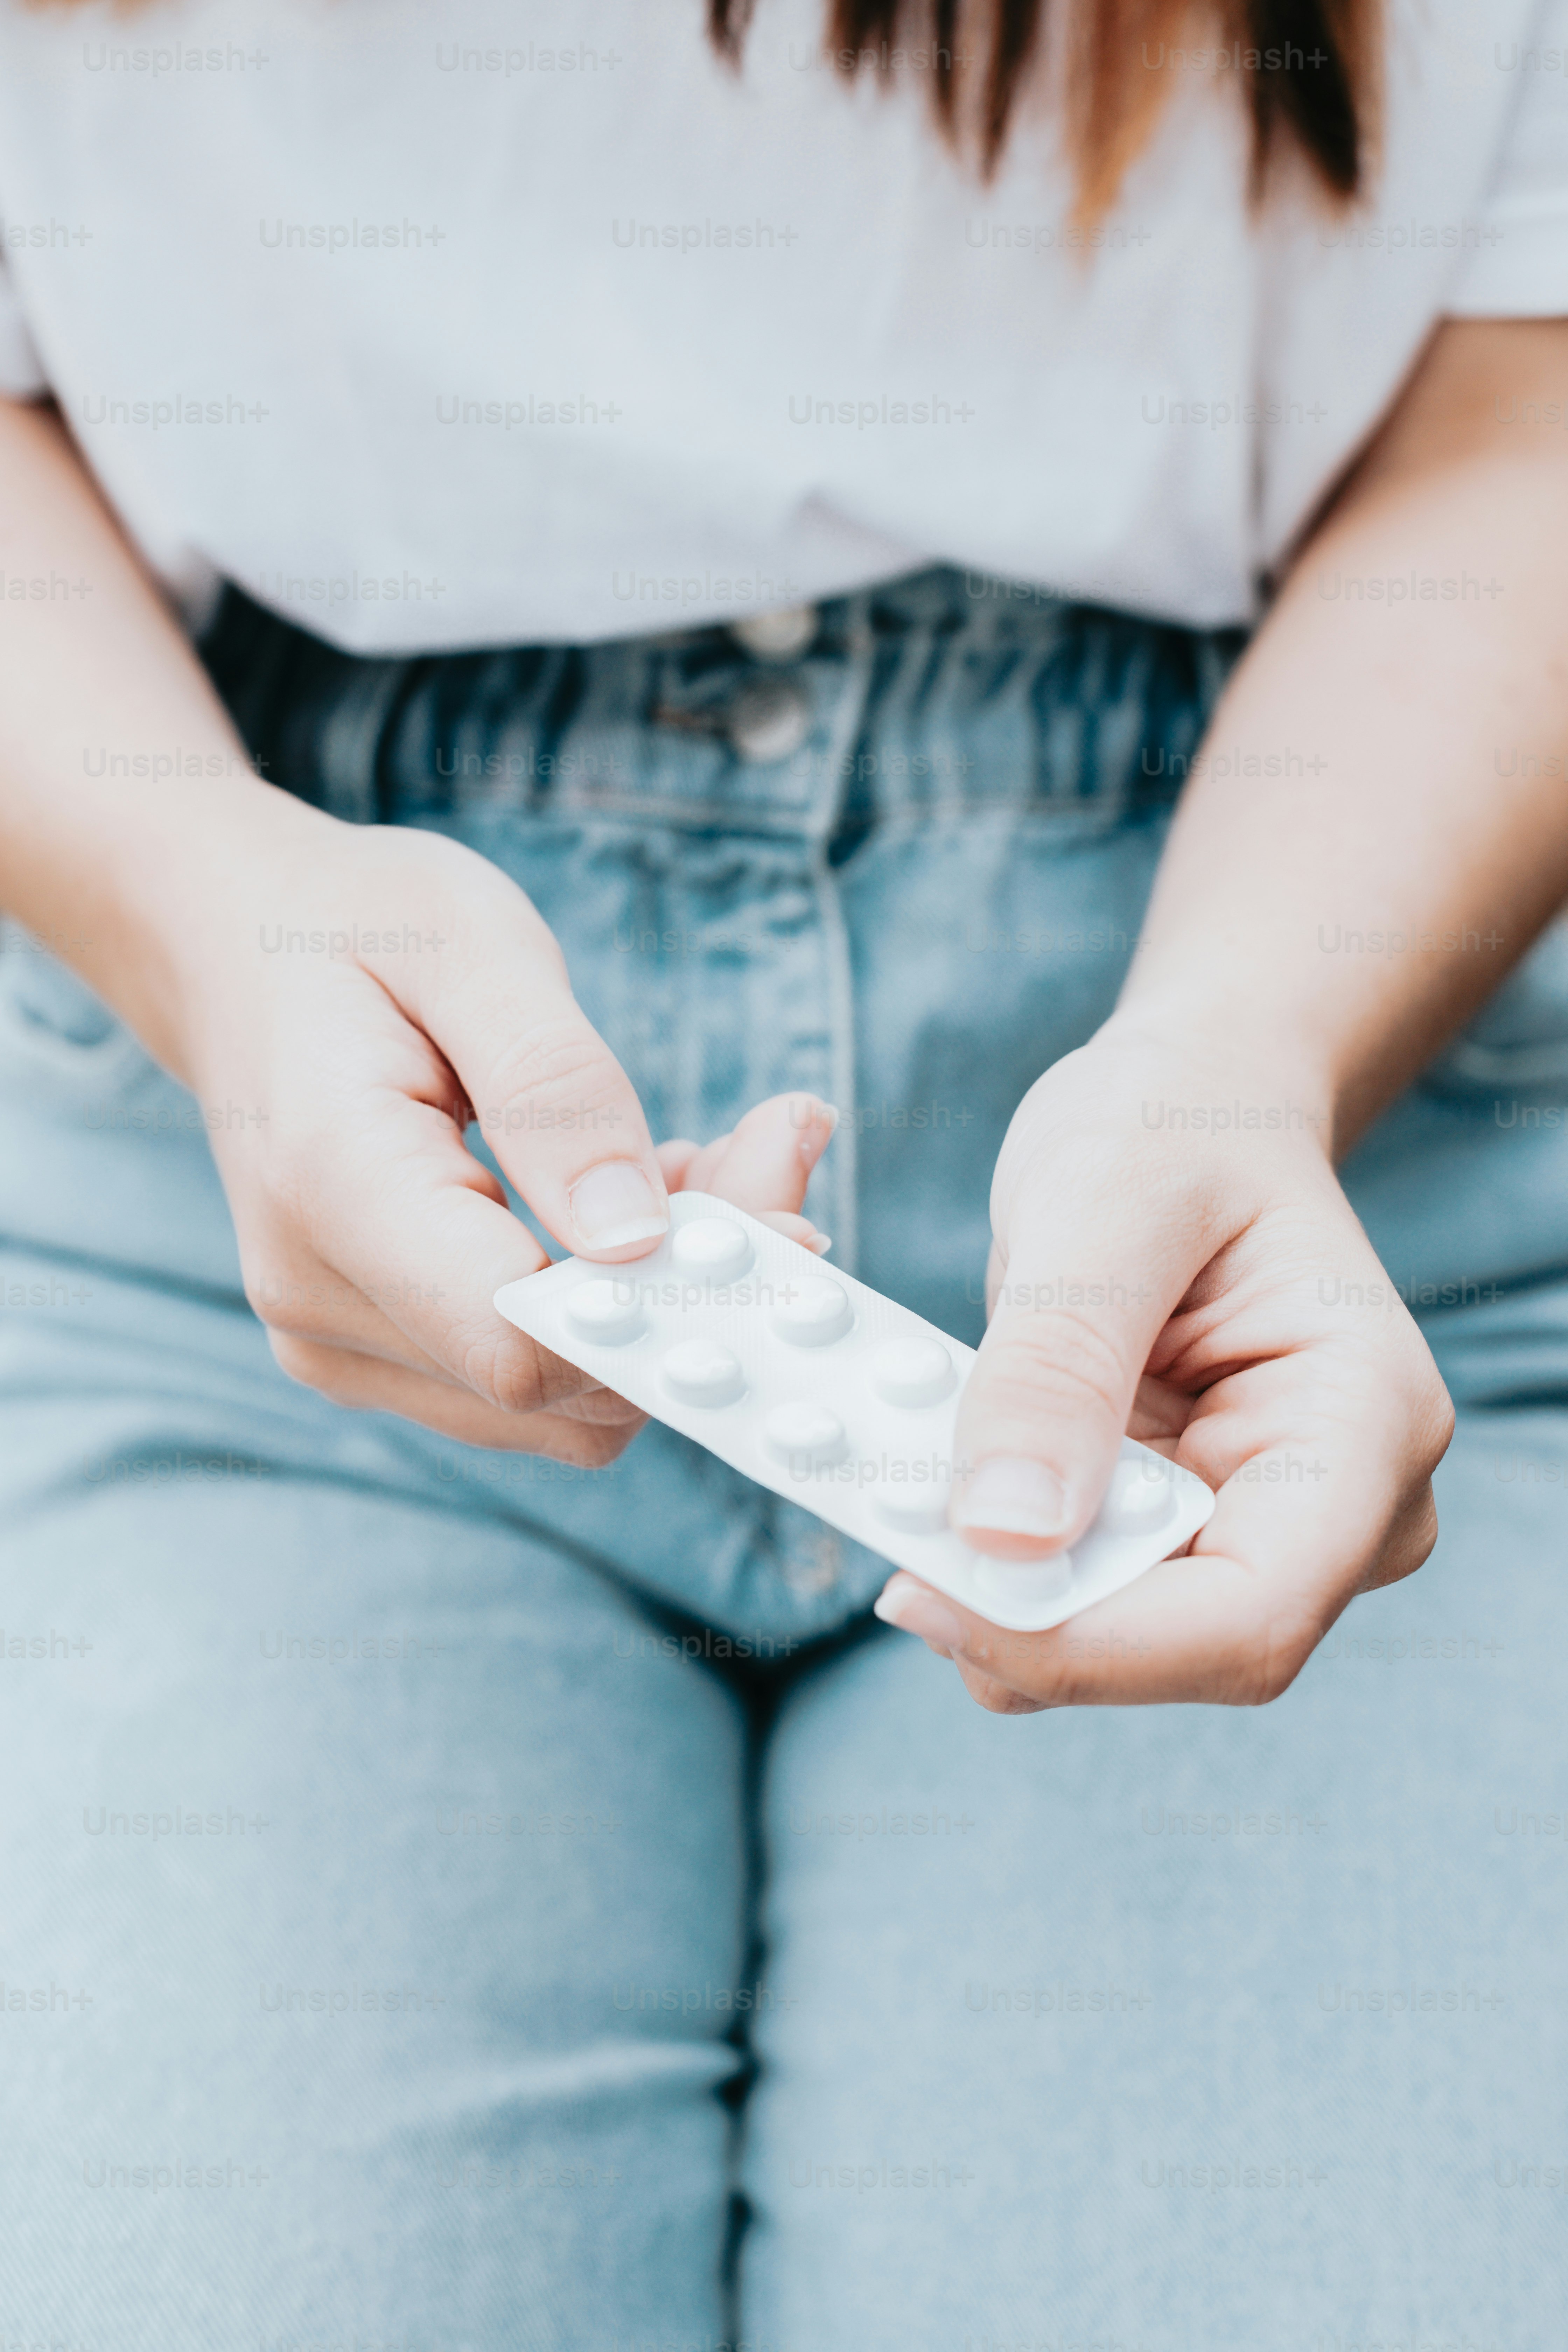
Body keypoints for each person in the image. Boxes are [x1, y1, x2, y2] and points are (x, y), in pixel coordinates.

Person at [1, 0, 1566, 2340]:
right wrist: (196, 907)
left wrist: (1253, 1051)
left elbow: (1520, 410)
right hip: (228, 1061)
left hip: (1314, 1115)